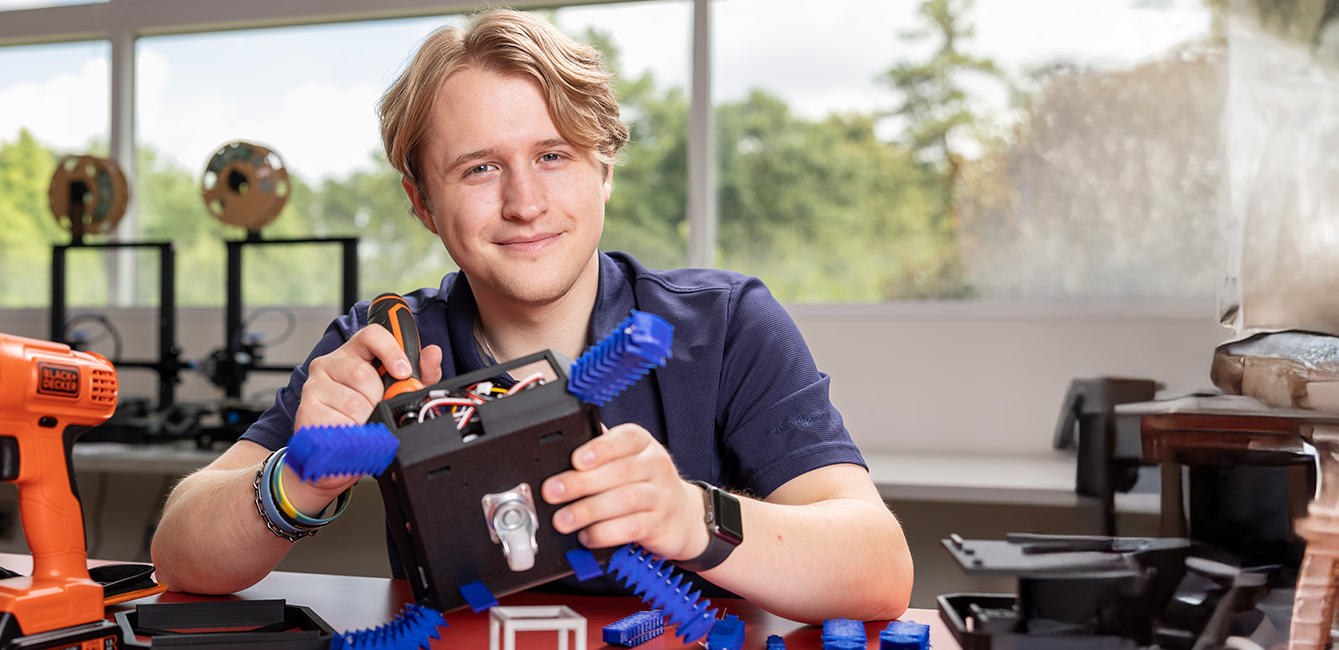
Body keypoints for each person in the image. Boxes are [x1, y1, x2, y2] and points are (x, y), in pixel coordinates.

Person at [150, 9, 912, 623]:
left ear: (604, 168)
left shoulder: (727, 325)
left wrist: (691, 516)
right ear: (422, 202)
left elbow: (878, 568)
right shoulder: (383, 346)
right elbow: (180, 554)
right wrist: (298, 479)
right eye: (479, 168)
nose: (524, 203)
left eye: (554, 155)